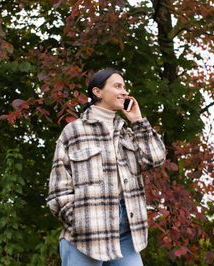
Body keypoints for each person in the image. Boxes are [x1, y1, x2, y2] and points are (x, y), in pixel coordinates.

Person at [47, 69, 166, 266]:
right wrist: (81, 221)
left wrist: (137, 120)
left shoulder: (127, 133)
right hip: (84, 237)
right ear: (98, 92)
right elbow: (58, 190)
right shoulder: (74, 131)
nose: (124, 92)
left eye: (125, 87)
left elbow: (156, 158)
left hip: (126, 235)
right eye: (117, 86)